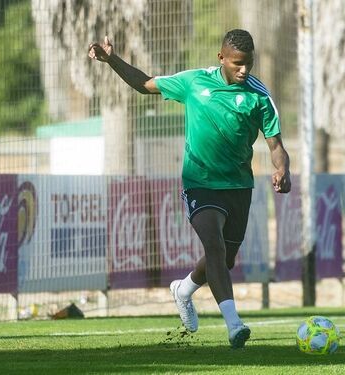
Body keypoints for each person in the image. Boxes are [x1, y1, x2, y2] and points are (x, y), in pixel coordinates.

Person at [88, 29, 291, 349]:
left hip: (239, 186)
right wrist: (112, 59)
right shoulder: (193, 82)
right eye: (237, 63)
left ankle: (183, 289)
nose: (244, 70)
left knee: (223, 260)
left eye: (248, 64)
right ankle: (234, 325)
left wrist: (282, 168)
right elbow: (145, 84)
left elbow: (275, 144)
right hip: (200, 183)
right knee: (214, 246)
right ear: (221, 57)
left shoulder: (259, 95)